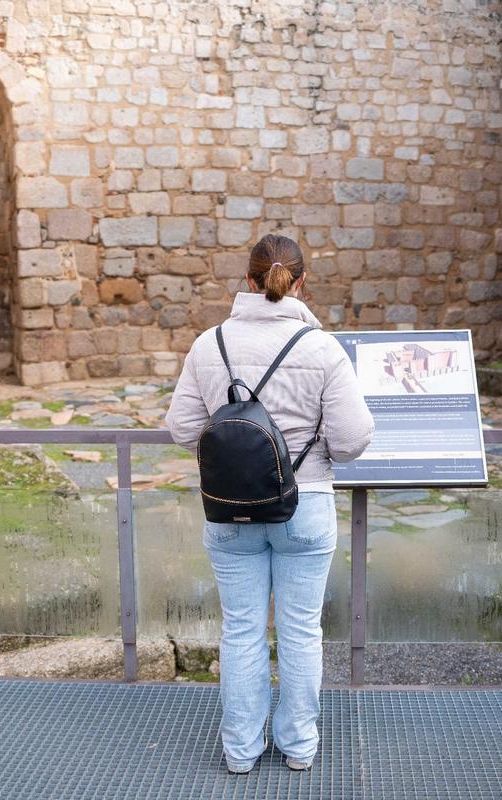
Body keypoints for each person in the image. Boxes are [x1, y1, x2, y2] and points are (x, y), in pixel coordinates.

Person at [165, 234, 374, 774]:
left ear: (248, 280)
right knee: (302, 630)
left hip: (230, 507)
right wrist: (309, 450)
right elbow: (352, 439)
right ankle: (299, 746)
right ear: (300, 281)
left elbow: (183, 429)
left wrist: (236, 448)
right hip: (305, 505)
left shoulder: (208, 344)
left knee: (240, 628)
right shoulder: (322, 349)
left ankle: (240, 750)